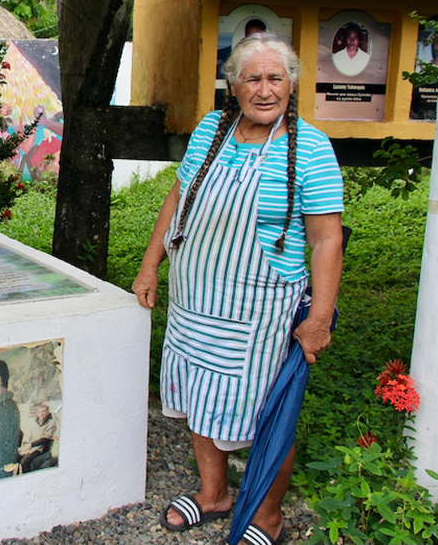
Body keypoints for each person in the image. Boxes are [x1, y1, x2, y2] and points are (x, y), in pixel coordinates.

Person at [132, 33, 344, 545]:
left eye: (276, 78)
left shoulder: (311, 148)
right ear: (234, 85)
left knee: (265, 414)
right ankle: (214, 494)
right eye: (253, 78)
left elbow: (326, 241)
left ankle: (268, 516)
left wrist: (317, 321)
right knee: (199, 395)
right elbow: (178, 197)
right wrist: (150, 265)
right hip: (193, 302)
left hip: (258, 313)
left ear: (292, 85)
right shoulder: (212, 129)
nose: (265, 90)